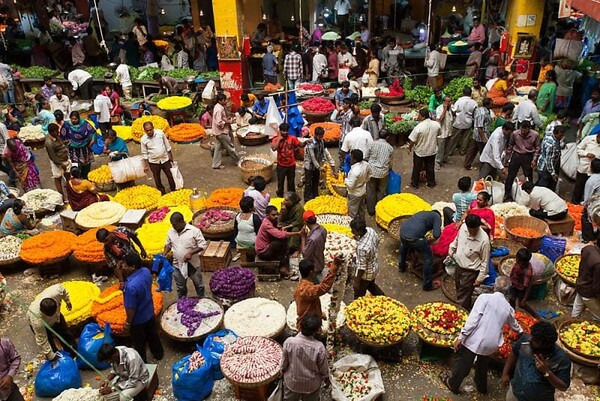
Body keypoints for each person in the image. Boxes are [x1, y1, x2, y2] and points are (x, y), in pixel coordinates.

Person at [440, 276, 522, 395]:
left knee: (465, 364)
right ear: (507, 291)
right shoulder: (508, 308)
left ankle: (453, 383)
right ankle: (481, 387)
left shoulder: (484, 298)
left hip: (476, 339)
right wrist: (521, 332)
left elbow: (473, 320)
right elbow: (514, 325)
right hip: (492, 342)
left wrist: (461, 336)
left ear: (494, 286)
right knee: (483, 364)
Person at [502, 321, 571, 401]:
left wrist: (547, 372)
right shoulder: (525, 340)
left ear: (546, 345)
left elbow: (563, 386)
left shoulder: (561, 359)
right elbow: (514, 353)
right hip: (515, 393)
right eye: (532, 336)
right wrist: (505, 373)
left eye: (536, 341)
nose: (530, 340)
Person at [118, 252, 163, 362]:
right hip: (149, 310)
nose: (123, 267)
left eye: (125, 265)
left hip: (138, 319)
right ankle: (158, 354)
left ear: (132, 267)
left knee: (139, 342)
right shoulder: (146, 271)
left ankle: (143, 362)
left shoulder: (131, 287)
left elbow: (131, 308)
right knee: (152, 334)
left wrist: (128, 323)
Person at [281, 314, 330, 400]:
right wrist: (326, 378)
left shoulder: (289, 342)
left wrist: (282, 371)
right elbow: (323, 369)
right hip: (311, 385)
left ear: (300, 326)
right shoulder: (319, 348)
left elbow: (284, 362)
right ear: (318, 330)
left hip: (293, 382)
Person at [449, 214, 491, 310]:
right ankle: (465, 307)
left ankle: (459, 313)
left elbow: (485, 261)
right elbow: (457, 240)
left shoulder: (484, 240)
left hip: (470, 272)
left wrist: (480, 278)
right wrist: (452, 249)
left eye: (474, 230)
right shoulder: (463, 227)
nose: (472, 232)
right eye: (470, 229)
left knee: (462, 296)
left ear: (478, 227)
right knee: (460, 289)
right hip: (459, 266)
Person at [164, 212, 207, 299]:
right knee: (180, 287)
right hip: (177, 265)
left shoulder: (194, 231)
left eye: (175, 225)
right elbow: (168, 244)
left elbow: (203, 245)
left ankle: (202, 299)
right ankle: (182, 301)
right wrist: (164, 253)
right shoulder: (171, 232)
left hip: (193, 265)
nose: (173, 227)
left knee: (199, 285)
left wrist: (191, 253)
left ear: (182, 221)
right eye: (172, 225)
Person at [27, 283, 75, 360]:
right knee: (49, 341)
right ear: (43, 312)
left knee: (64, 332)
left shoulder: (56, 291)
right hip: (44, 324)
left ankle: (72, 351)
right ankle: (56, 357)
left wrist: (67, 301)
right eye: (50, 315)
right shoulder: (37, 320)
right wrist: (51, 355)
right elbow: (42, 339)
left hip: (57, 317)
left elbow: (63, 290)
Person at [399, 211, 443, 290]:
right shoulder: (436, 217)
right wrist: (430, 241)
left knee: (404, 245)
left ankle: (401, 266)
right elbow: (437, 234)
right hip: (414, 238)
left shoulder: (423, 214)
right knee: (429, 258)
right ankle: (428, 285)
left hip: (403, 232)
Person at [256, 205, 302, 278]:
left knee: (282, 242)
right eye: (273, 215)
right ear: (267, 215)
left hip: (267, 246)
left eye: (277, 214)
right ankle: (282, 268)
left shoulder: (271, 221)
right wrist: (298, 233)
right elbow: (281, 235)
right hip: (263, 252)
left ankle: (283, 263)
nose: (276, 216)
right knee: (281, 241)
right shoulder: (266, 224)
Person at [294, 257, 340, 328]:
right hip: (308, 326)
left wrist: (320, 314)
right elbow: (324, 287)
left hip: (308, 321)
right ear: (311, 272)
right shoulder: (306, 289)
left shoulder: (300, 287)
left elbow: (308, 306)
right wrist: (334, 266)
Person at [503, 121, 540, 201]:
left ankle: (530, 195)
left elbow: (537, 147)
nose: (522, 132)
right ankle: (507, 194)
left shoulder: (535, 135)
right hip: (516, 155)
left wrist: (534, 159)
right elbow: (510, 145)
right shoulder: (515, 134)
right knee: (510, 176)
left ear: (529, 129)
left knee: (529, 177)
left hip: (528, 156)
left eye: (525, 131)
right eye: (521, 130)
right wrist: (507, 159)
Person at [351, 217, 384, 298]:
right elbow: (377, 241)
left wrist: (357, 281)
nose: (351, 231)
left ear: (359, 231)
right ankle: (384, 297)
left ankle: (357, 306)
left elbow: (362, 267)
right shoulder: (370, 230)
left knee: (359, 293)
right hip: (374, 267)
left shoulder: (362, 248)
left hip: (366, 275)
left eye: (353, 230)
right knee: (371, 285)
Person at [141, 121, 175, 194]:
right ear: (144, 131)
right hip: (153, 162)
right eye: (147, 130)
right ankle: (162, 192)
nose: (149, 132)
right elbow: (144, 153)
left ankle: (173, 190)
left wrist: (171, 156)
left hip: (165, 159)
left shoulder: (160, 133)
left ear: (153, 128)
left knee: (170, 175)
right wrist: (146, 165)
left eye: (150, 129)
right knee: (157, 178)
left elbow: (167, 145)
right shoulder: (143, 139)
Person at [408, 108, 440, 188]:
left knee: (417, 167)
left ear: (422, 117)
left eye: (419, 115)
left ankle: (415, 183)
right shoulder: (436, 124)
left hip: (420, 151)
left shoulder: (418, 127)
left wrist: (410, 148)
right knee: (430, 167)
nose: (417, 116)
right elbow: (439, 134)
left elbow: (412, 140)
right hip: (432, 150)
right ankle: (431, 182)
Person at [272, 122, 304, 197]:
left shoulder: (292, 138)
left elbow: (301, 145)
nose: (285, 132)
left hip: (291, 165)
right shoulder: (275, 139)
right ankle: (280, 196)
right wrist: (279, 140)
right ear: (280, 131)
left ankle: (291, 197)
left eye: (286, 131)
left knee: (291, 182)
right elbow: (274, 148)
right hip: (281, 165)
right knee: (280, 182)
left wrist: (306, 142)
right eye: (283, 131)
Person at [303, 126, 335, 202]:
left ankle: (315, 196)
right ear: (315, 135)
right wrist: (320, 168)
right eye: (319, 136)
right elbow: (313, 158)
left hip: (317, 166)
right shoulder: (310, 144)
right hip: (309, 166)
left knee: (316, 181)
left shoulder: (321, 142)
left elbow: (322, 153)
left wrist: (324, 163)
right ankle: (307, 199)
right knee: (308, 183)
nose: (320, 138)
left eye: (321, 137)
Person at [365, 130, 393, 215]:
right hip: (383, 172)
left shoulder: (372, 144)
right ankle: (379, 210)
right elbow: (390, 163)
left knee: (370, 190)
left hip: (371, 171)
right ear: (387, 137)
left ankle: (371, 210)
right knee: (381, 190)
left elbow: (366, 157)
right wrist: (390, 169)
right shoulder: (390, 148)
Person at [572, 238, 600, 320]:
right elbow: (597, 287)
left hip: (580, 284)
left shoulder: (588, 249)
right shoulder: (598, 263)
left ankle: (572, 322)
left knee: (577, 309)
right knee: (597, 316)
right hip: (589, 293)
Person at [509, 248, 541, 319]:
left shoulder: (528, 272)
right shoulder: (517, 263)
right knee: (511, 299)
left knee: (522, 304)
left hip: (521, 288)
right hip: (514, 285)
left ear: (526, 262)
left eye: (521, 263)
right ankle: (512, 314)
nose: (518, 262)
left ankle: (535, 315)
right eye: (517, 260)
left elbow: (528, 286)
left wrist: (525, 298)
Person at [212, 93, 239, 170]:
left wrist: (227, 118)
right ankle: (237, 160)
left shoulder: (219, 106)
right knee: (230, 147)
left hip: (219, 131)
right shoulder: (219, 109)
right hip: (222, 132)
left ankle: (215, 164)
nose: (226, 101)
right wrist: (228, 122)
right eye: (225, 100)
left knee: (218, 148)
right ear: (221, 100)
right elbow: (219, 122)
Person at [465, 97, 493, 171]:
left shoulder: (481, 110)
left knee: (472, 150)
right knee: (483, 152)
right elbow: (480, 127)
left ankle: (467, 164)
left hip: (477, 135)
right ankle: (483, 167)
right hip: (481, 135)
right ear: (488, 105)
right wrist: (483, 138)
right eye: (491, 104)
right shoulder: (482, 113)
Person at [300, 211, 329, 282]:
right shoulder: (323, 229)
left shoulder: (312, 239)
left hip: (314, 267)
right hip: (320, 261)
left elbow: (305, 254)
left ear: (305, 222)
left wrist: (303, 238)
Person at [449, 87, 478, 156]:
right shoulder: (474, 102)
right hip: (468, 122)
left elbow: (454, 110)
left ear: (463, 93)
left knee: (454, 138)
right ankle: (462, 151)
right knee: (465, 138)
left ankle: (450, 151)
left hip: (458, 122)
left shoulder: (459, 101)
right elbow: (475, 113)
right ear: (470, 93)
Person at [536, 125, 565, 191]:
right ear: (555, 133)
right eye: (560, 135)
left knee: (540, 182)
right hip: (545, 168)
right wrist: (553, 173)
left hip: (541, 163)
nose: (561, 137)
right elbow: (548, 160)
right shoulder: (551, 145)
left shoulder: (549, 134)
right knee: (542, 187)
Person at [573, 132, 600, 204]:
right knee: (578, 187)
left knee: (590, 190)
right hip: (583, 168)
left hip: (594, 172)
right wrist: (586, 154)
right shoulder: (588, 139)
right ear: (597, 136)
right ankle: (574, 204)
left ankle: (585, 205)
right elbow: (578, 149)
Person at [345, 149, 371, 219]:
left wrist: (345, 179)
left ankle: (353, 226)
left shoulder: (354, 171)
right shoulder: (366, 164)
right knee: (361, 210)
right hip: (362, 191)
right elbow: (370, 174)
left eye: (351, 157)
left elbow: (350, 186)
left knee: (353, 213)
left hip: (354, 194)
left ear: (355, 160)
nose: (350, 158)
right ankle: (362, 223)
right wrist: (365, 180)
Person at [435, 95, 453, 169]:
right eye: (448, 101)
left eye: (450, 101)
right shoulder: (439, 109)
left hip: (448, 131)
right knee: (440, 149)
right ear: (444, 102)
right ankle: (437, 162)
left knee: (447, 147)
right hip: (442, 132)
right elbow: (440, 119)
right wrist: (445, 109)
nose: (449, 103)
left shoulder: (450, 109)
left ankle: (445, 159)